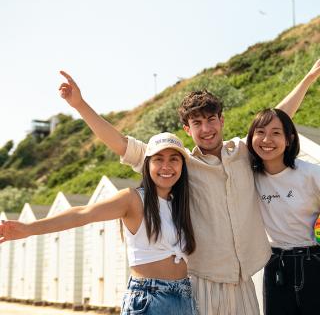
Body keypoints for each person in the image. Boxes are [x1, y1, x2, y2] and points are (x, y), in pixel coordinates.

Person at [56, 60, 320, 315]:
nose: (206, 129)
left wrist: (307, 79)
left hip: (243, 282)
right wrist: (79, 105)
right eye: (197, 123)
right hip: (202, 282)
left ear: (222, 120)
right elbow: (122, 144)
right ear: (187, 128)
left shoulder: (243, 152)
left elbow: (277, 119)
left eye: (211, 120)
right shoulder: (181, 164)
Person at [0, 132, 198, 315]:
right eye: (158, 159)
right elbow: (83, 214)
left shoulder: (181, 204)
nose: (166, 166)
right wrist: (29, 228)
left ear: (182, 165)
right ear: (147, 164)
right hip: (149, 297)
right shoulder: (133, 199)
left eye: (174, 159)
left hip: (184, 297)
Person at [246, 108, 320, 315]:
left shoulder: (312, 174)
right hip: (275, 266)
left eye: (276, 133)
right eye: (260, 132)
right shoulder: (248, 177)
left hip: (314, 261)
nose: (267, 139)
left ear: (289, 139)